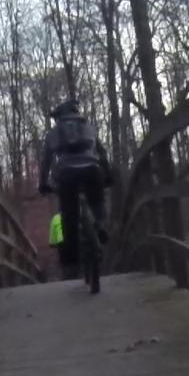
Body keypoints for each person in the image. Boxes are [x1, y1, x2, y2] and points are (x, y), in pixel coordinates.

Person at [38, 99, 111, 282]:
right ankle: (100, 225)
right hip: (92, 170)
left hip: (66, 174)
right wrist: (108, 175)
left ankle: (71, 260)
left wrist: (43, 183)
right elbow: (102, 153)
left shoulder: (54, 133)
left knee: (68, 217)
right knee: (96, 202)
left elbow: (46, 160)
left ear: (59, 117)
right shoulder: (89, 127)